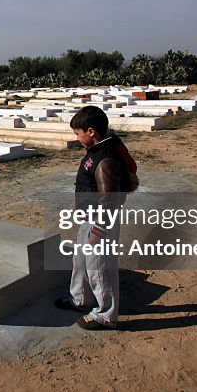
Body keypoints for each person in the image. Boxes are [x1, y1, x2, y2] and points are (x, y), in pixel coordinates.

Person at [55, 105, 132, 330]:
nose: (76, 138)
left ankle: (105, 314)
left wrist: (99, 230)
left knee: (100, 268)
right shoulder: (97, 150)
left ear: (91, 131)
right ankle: (81, 299)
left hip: (100, 222)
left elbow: (110, 199)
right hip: (88, 219)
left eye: (78, 134)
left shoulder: (105, 159)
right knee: (81, 261)